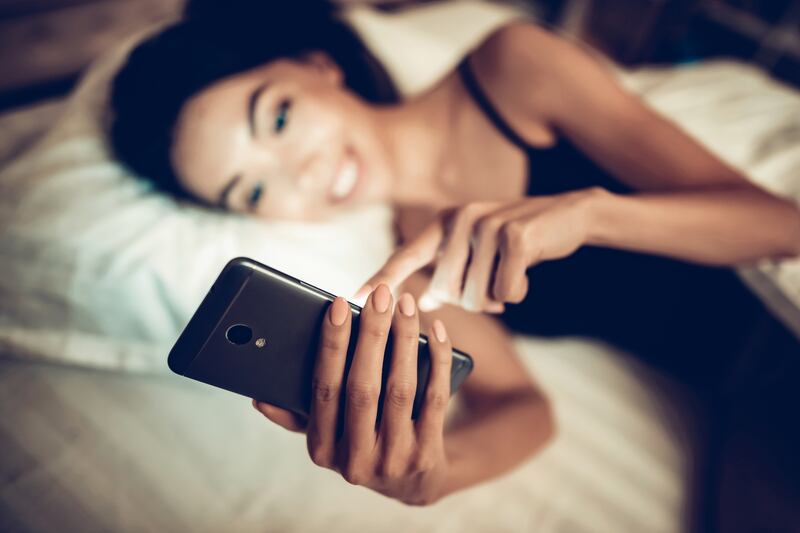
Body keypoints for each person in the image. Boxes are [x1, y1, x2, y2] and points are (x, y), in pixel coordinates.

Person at [110, 0, 800, 528]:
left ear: (317, 64)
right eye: (254, 191)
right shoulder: (409, 271)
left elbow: (782, 227)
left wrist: (591, 214)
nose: (300, 173)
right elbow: (521, 406)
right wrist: (432, 477)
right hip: (752, 400)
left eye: (280, 119)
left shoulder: (513, 70)